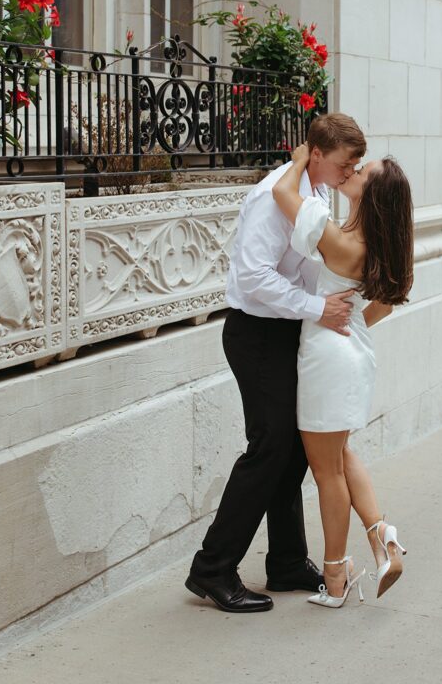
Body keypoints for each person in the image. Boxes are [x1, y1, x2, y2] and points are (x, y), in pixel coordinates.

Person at [185, 114, 367, 613]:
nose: (352, 169)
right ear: (318, 153)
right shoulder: (273, 196)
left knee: (293, 451)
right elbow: (253, 278)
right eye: (346, 161)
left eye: (356, 162)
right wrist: (318, 308)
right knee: (269, 449)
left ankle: (287, 562)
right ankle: (212, 569)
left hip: (288, 333)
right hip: (255, 334)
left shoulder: (317, 190)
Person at [272, 142, 414, 608]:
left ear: (370, 196)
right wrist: (351, 326)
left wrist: (300, 159)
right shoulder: (375, 243)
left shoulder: (340, 239)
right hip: (351, 352)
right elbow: (388, 301)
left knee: (326, 471)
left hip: (328, 358)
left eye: (361, 171)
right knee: (341, 453)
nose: (351, 171)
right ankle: (383, 538)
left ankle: (336, 574)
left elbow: (282, 194)